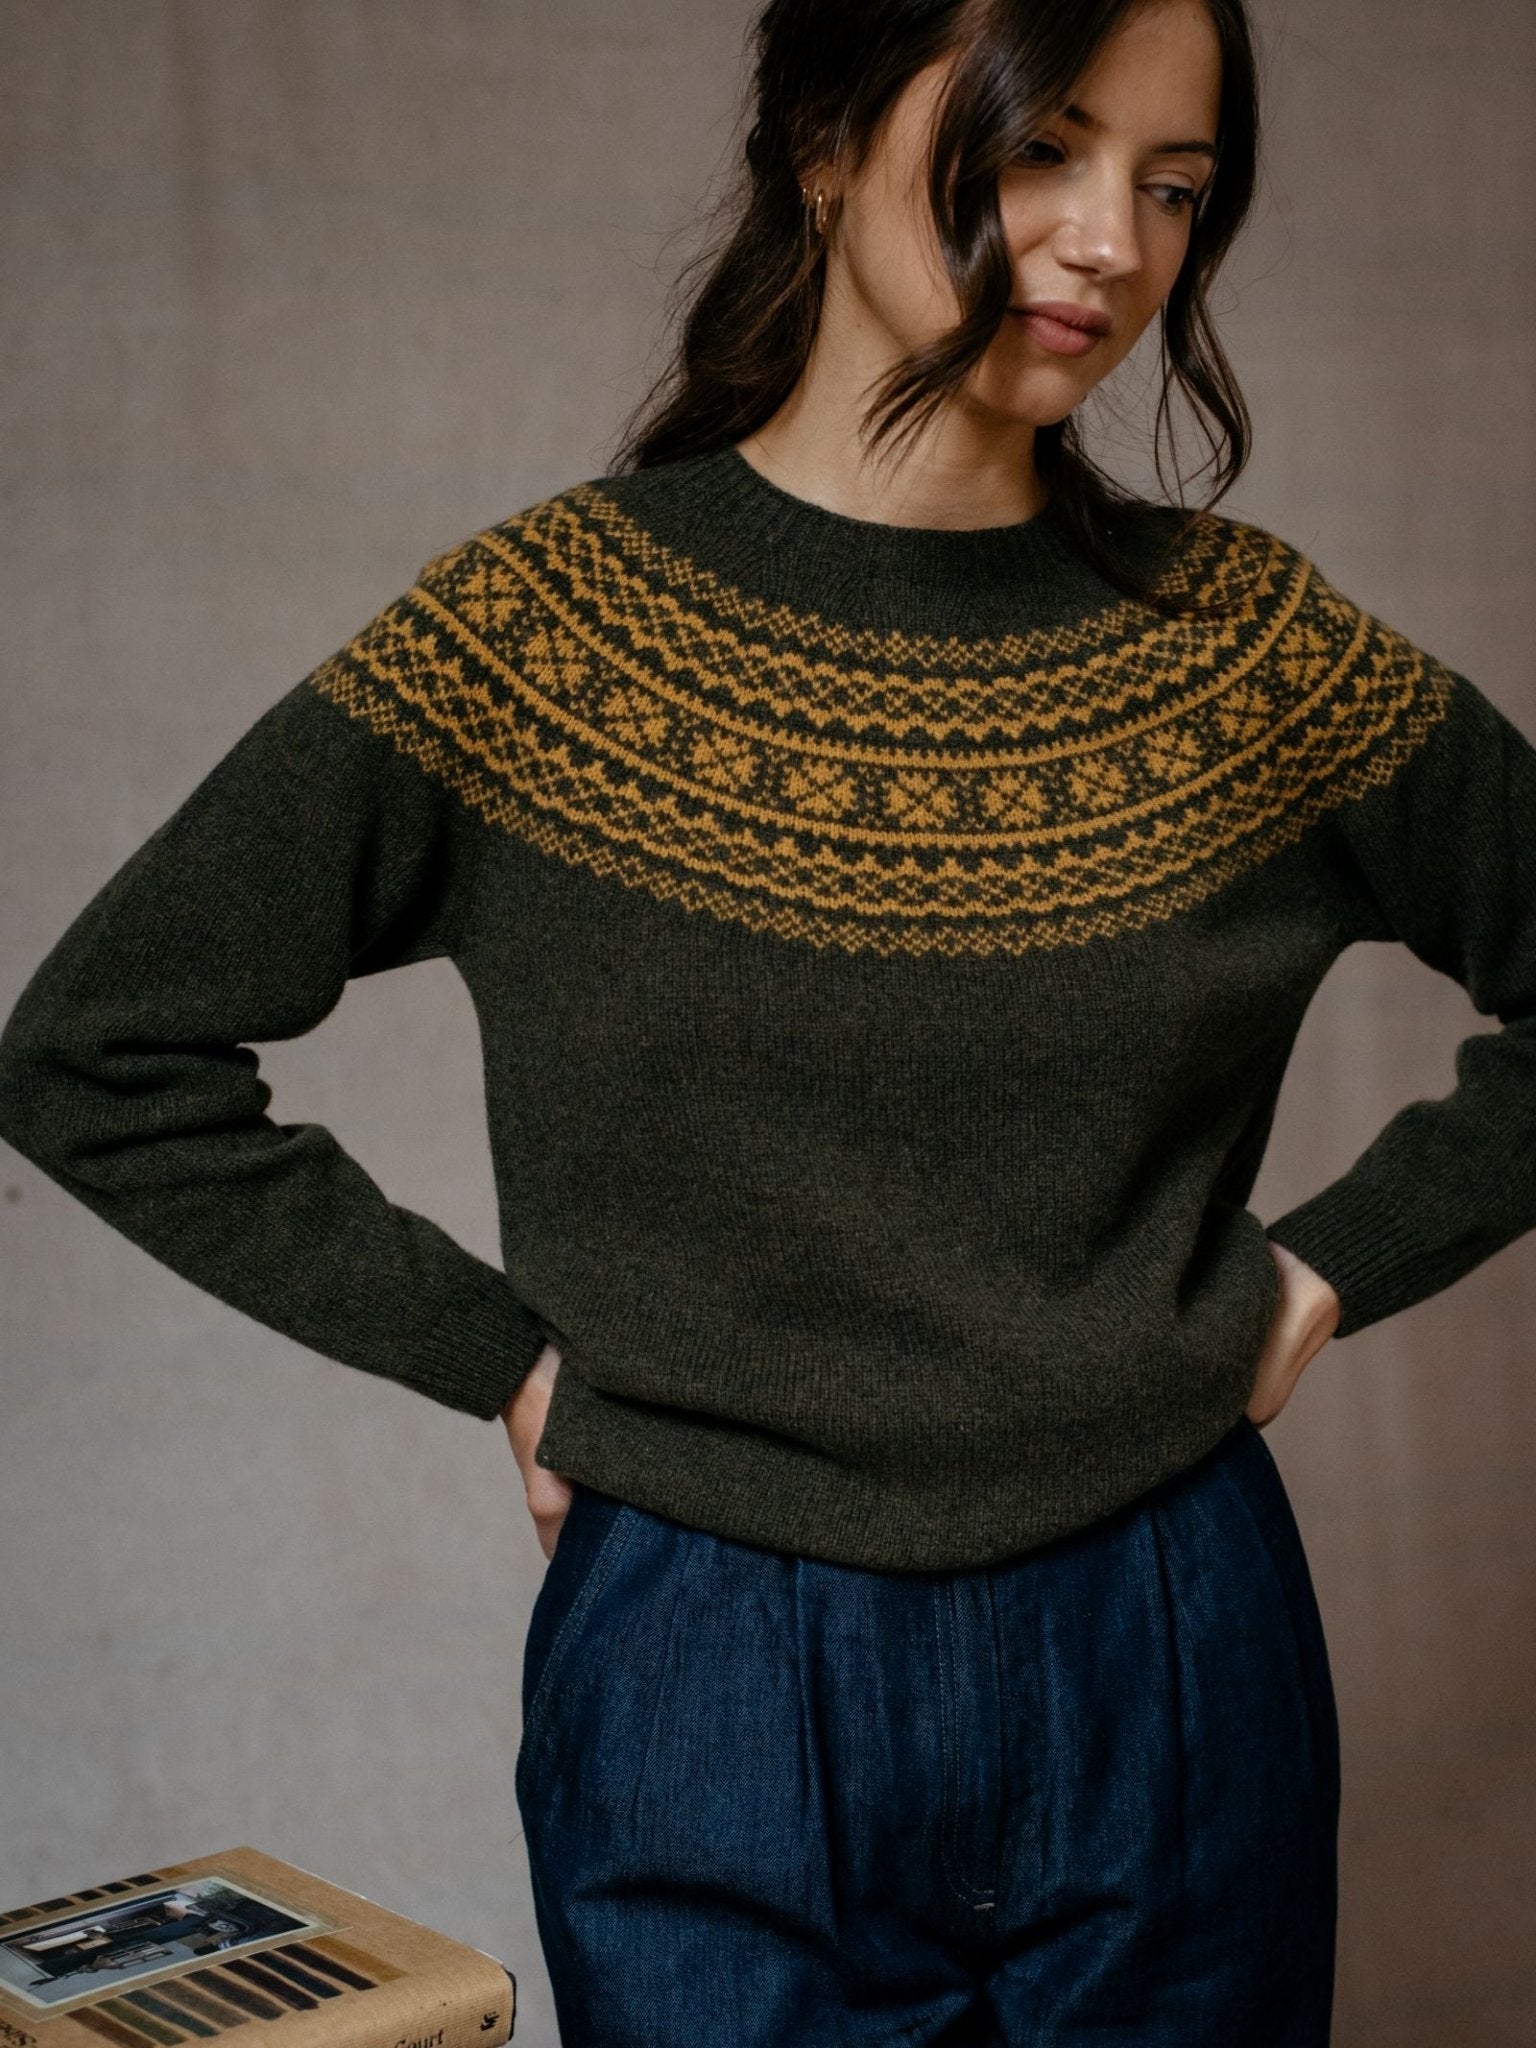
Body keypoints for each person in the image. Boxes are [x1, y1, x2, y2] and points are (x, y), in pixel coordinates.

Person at [2, 0, 1534, 2040]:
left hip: (1169, 1639)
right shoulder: (541, 635)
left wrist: (1330, 1270)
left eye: (1173, 190)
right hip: (704, 1653)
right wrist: (495, 1357)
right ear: (823, 140)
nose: (1108, 246)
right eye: (1037, 152)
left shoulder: (1244, 651)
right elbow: (99, 1050)